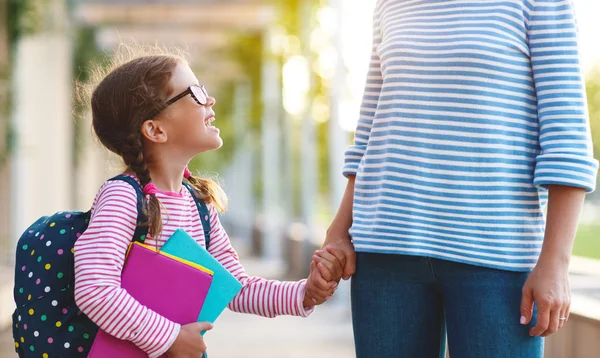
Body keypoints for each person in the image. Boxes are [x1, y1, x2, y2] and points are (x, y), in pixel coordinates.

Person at [314, 1, 599, 357]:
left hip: (496, 259)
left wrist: (556, 263)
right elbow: (370, 133)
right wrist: (339, 231)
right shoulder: (390, 4)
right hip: (386, 251)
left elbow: (567, 138)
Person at [73, 46, 342, 358]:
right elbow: (94, 288)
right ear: (156, 129)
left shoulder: (198, 204)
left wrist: (304, 294)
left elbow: (235, 288)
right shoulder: (124, 198)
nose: (209, 99)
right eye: (196, 93)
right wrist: (170, 337)